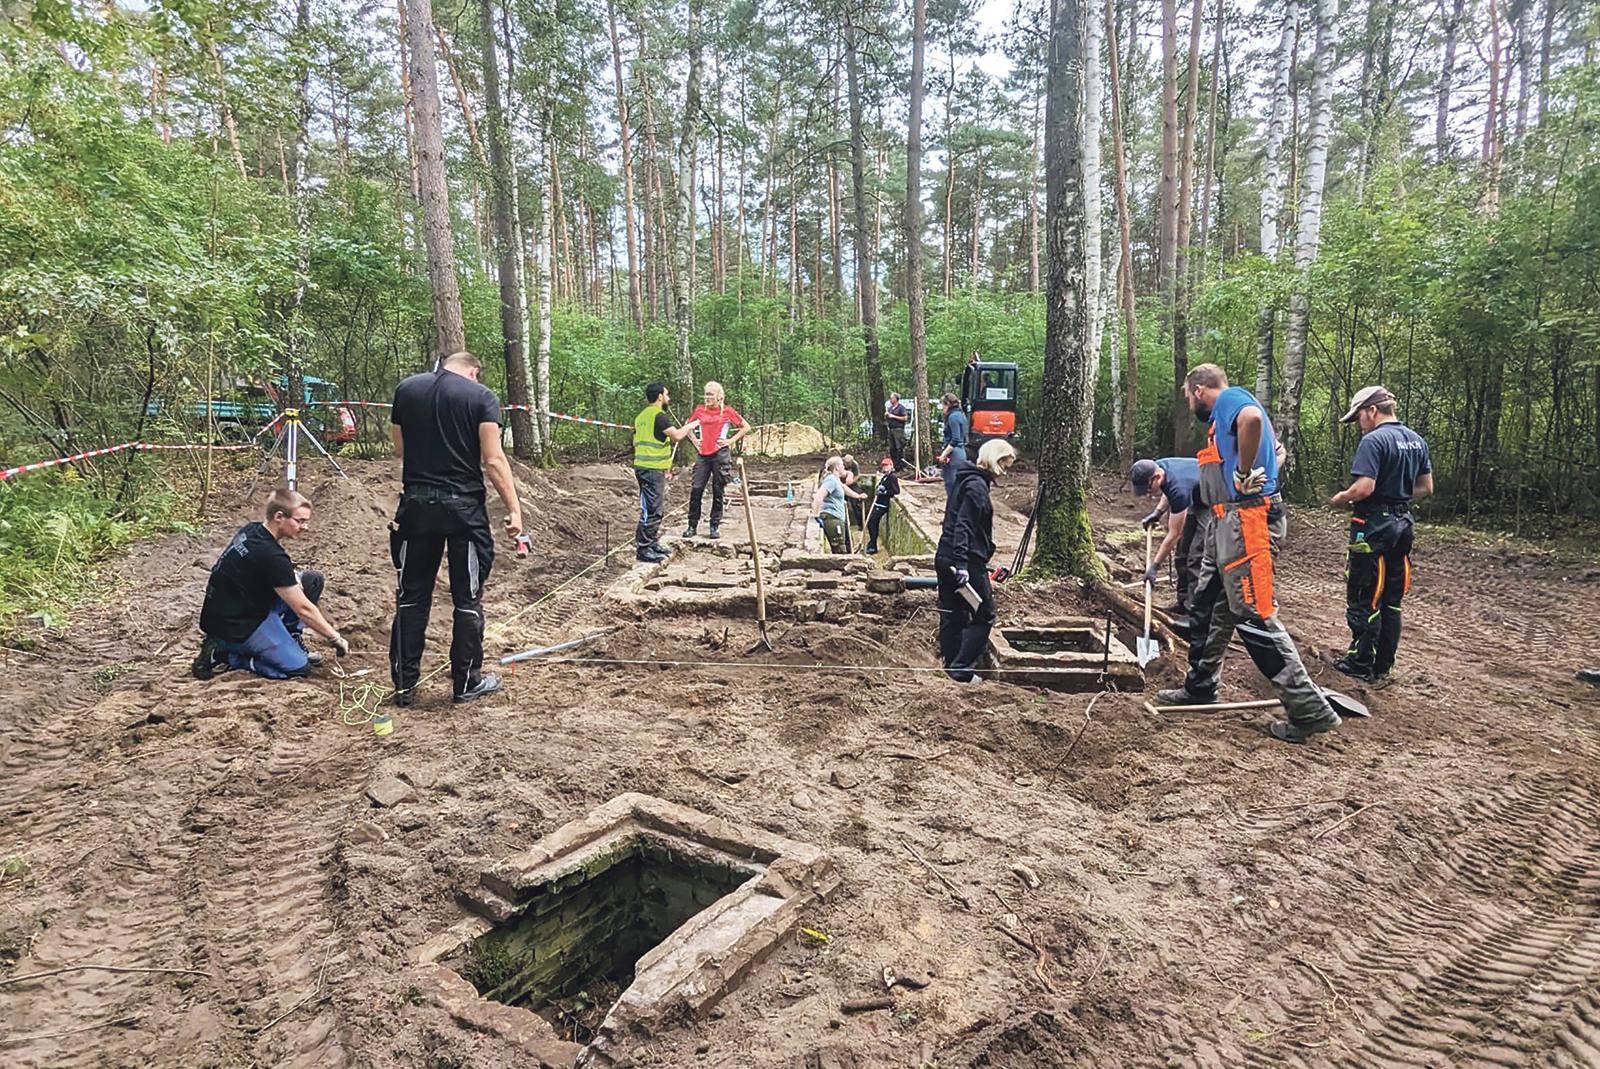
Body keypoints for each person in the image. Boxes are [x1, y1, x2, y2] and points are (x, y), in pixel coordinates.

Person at [1157, 364, 1340, 744]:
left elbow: (1253, 419)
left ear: (1199, 390)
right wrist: (1256, 466)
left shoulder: (1230, 400)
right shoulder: (1223, 422)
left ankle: (1308, 708)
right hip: (1225, 523)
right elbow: (1275, 452)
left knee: (1254, 615)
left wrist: (1243, 473)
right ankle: (1201, 686)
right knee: (1207, 607)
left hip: (1247, 523)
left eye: (1188, 396)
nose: (1189, 403)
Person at [388, 350, 523, 706]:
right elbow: (493, 459)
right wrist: (514, 509)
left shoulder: (407, 389)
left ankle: (404, 685)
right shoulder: (481, 397)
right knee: (467, 596)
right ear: (474, 371)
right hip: (463, 509)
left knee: (411, 595)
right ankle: (466, 682)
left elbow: (400, 448)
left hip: (416, 505)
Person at [1329, 385, 1433, 684]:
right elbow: (1426, 488)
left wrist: (1341, 498)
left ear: (1372, 410)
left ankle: (1360, 662)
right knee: (1391, 597)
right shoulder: (1416, 440)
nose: (1359, 424)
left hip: (1372, 524)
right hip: (1403, 523)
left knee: (1365, 592)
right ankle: (1383, 665)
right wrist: (1397, 496)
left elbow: (1364, 488)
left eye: (1359, 417)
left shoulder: (1374, 440)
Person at [192, 488, 349, 680]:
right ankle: (223, 654)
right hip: (238, 624)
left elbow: (262, 566)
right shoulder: (271, 556)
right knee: (299, 668)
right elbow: (304, 610)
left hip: (231, 606)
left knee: (311, 581)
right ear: (279, 517)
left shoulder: (252, 530)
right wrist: (335, 637)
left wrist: (292, 574)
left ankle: (290, 638)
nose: (305, 527)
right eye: (300, 521)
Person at [935, 439, 1016, 683]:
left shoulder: (965, 479)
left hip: (946, 555)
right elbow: (964, 525)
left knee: (954, 612)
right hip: (964, 560)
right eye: (1005, 464)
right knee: (984, 614)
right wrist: (962, 565)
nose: (1006, 471)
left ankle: (951, 663)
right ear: (995, 460)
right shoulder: (976, 487)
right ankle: (961, 670)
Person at [633, 382, 699, 563]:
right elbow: (676, 436)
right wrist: (690, 426)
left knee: (653, 507)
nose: (668, 398)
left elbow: (635, 441)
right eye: (667, 395)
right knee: (652, 509)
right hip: (651, 469)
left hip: (645, 467)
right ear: (660, 396)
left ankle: (651, 543)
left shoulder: (641, 417)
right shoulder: (659, 416)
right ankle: (644, 548)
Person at [1130, 456, 1204, 615]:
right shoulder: (1159, 467)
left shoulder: (1179, 489)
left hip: (1212, 504)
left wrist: (1154, 567)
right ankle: (1183, 604)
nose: (1147, 493)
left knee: (1196, 558)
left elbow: (1174, 534)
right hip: (1193, 495)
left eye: (1148, 488)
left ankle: (1193, 612)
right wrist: (1158, 513)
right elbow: (1168, 489)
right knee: (1182, 555)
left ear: (1156, 477)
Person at [683, 381, 747, 539]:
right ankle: (692, 525)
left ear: (719, 397)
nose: (707, 397)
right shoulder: (699, 410)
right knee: (696, 488)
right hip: (703, 455)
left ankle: (714, 526)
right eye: (706, 394)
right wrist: (694, 440)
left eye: (710, 395)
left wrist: (730, 441)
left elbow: (746, 427)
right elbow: (687, 426)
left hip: (720, 454)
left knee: (718, 490)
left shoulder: (727, 411)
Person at [811, 455, 867, 553]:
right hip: (833, 518)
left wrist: (858, 496)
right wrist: (816, 515)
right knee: (840, 551)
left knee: (845, 547)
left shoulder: (835, 479)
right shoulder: (831, 480)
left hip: (837, 517)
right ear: (836, 468)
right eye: (842, 465)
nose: (844, 467)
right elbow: (819, 496)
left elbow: (844, 488)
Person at [864, 456, 901, 554]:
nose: (885, 467)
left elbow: (896, 491)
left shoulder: (892, 477)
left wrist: (885, 492)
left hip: (883, 505)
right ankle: (871, 543)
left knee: (872, 522)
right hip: (878, 503)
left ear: (891, 466)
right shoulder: (885, 477)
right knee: (871, 522)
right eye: (883, 466)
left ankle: (873, 545)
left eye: (887, 466)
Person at [937, 392, 969, 494]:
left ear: (948, 404)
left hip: (954, 455)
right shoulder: (961, 414)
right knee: (956, 485)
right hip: (961, 453)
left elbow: (955, 439)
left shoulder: (953, 417)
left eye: (943, 405)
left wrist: (944, 454)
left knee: (952, 485)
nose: (942, 408)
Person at [885, 393, 911, 471]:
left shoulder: (901, 408)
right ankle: (895, 465)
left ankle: (902, 465)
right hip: (891, 430)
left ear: (896, 399)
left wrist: (893, 416)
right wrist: (886, 416)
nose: (890, 399)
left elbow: (905, 418)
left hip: (898, 430)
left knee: (899, 448)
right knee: (892, 449)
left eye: (892, 398)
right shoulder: (890, 408)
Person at [842, 453, 864, 531]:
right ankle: (844, 525)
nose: (848, 464)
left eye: (849, 463)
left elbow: (857, 476)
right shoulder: (840, 464)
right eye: (846, 462)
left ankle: (860, 524)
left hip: (852, 484)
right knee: (842, 504)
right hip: (841, 484)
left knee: (856, 504)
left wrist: (850, 482)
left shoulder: (855, 464)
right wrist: (843, 484)